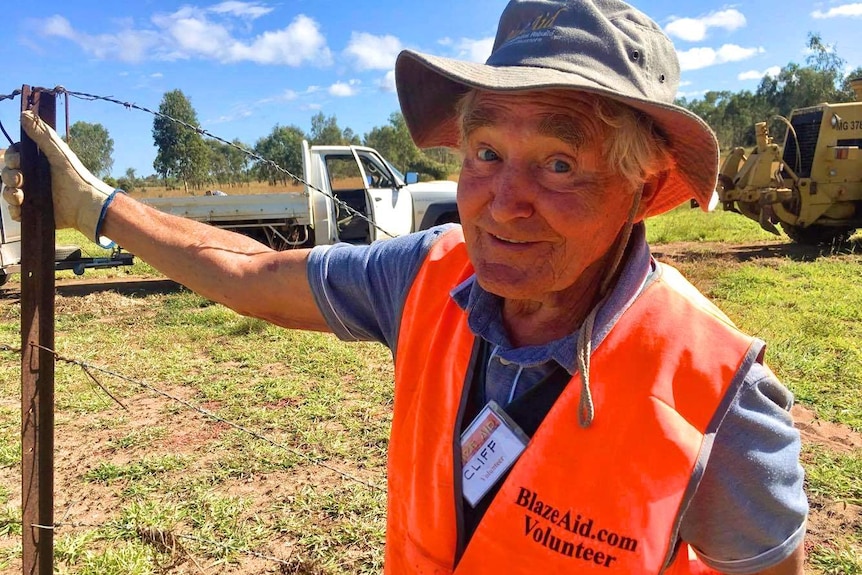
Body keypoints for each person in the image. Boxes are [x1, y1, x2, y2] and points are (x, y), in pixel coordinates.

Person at [2, 0, 807, 573]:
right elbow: (248, 272)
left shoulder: (721, 396)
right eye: (484, 150)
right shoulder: (425, 274)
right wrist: (94, 207)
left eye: (559, 163)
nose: (502, 199)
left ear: (642, 188)